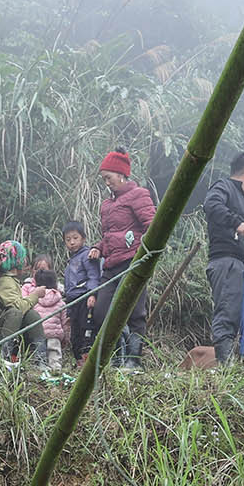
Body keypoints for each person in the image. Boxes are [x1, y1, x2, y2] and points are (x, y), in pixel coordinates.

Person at [203, 151, 244, 364]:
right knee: (228, 314)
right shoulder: (223, 187)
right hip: (226, 261)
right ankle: (226, 370)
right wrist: (236, 222)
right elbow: (211, 205)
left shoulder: (243, 200)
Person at [92, 149, 157, 367]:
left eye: (108, 178)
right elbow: (110, 236)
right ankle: (118, 356)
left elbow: (153, 225)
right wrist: (98, 248)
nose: (106, 183)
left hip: (132, 261)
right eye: (104, 179)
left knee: (135, 311)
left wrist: (145, 252)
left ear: (121, 174)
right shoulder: (107, 205)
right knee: (101, 313)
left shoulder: (139, 195)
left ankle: (134, 360)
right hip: (111, 265)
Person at [0, 240, 48, 369]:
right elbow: (17, 307)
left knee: (31, 314)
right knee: (15, 312)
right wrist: (35, 295)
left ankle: (39, 358)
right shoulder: (5, 281)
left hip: (11, 326)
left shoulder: (12, 280)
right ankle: (5, 354)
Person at [60, 220, 100, 365]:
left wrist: (92, 294)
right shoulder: (71, 260)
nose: (72, 242)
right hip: (73, 301)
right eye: (68, 239)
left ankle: (87, 361)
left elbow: (93, 276)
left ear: (83, 238)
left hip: (84, 299)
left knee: (86, 330)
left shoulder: (87, 255)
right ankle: (78, 361)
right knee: (74, 332)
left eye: (75, 238)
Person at [31, 268, 68, 370]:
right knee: (54, 354)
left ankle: (41, 370)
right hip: (54, 334)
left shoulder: (34, 298)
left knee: (40, 355)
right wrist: (66, 337)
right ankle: (56, 370)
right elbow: (65, 321)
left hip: (39, 333)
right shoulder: (60, 301)